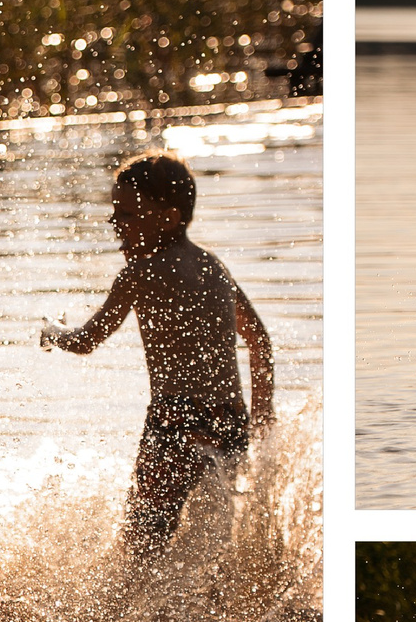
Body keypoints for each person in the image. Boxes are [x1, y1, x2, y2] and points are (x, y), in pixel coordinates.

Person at [40, 152, 274, 555]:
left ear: (167, 217)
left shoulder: (138, 274)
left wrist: (52, 331)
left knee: (142, 543)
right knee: (213, 541)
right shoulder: (213, 268)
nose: (115, 224)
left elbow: (86, 341)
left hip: (176, 421)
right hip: (229, 422)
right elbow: (260, 344)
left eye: (127, 214)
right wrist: (262, 420)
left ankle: (143, 614)